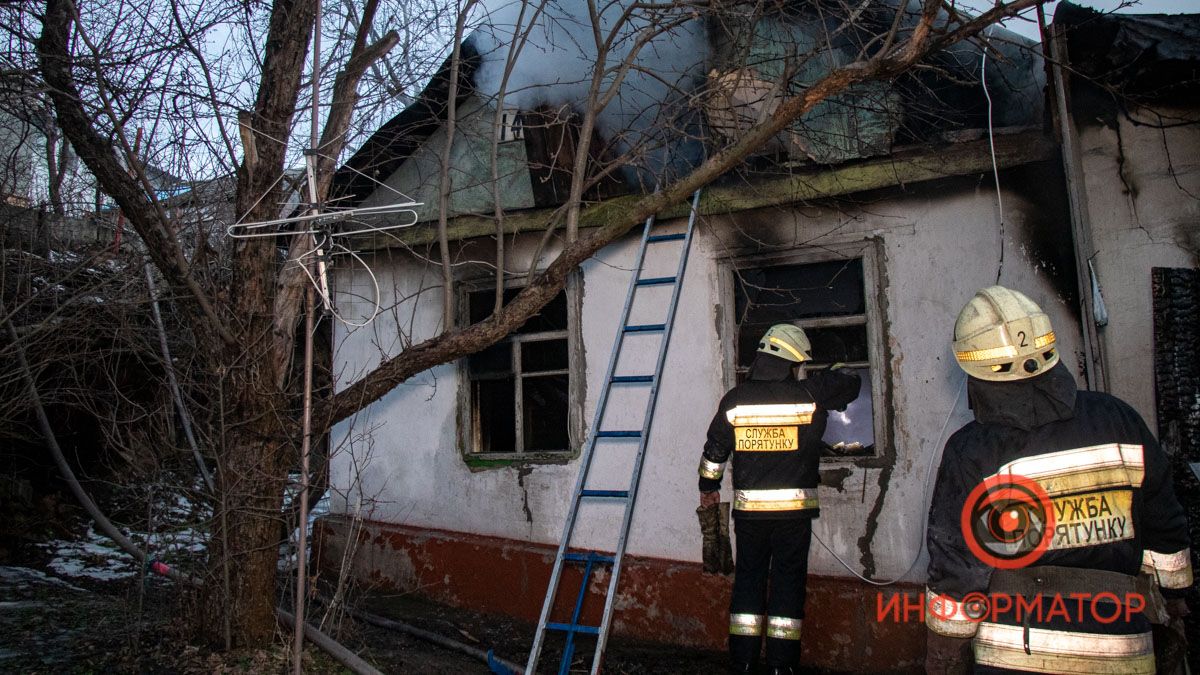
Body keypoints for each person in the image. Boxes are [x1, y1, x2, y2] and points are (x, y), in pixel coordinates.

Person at [924, 285, 1192, 674]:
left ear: (974, 369)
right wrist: (1174, 602)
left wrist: (944, 657)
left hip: (1014, 655)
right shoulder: (1119, 419)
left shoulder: (971, 450)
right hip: (1123, 648)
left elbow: (957, 572)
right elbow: (1165, 533)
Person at [698, 323, 860, 675]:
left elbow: (714, 453)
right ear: (792, 361)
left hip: (750, 517)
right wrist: (829, 370)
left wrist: (708, 489)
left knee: (748, 583)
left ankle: (742, 662)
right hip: (792, 517)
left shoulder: (735, 400)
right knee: (788, 585)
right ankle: (780, 666)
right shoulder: (808, 394)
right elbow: (850, 380)